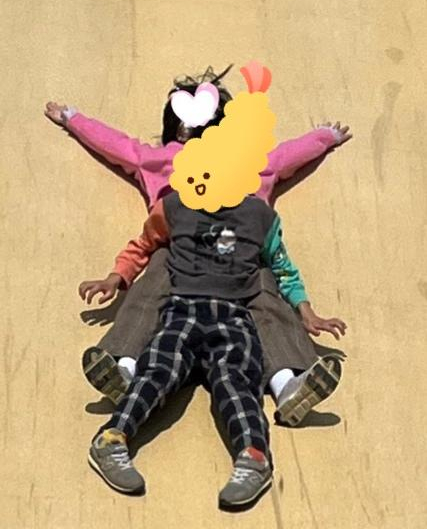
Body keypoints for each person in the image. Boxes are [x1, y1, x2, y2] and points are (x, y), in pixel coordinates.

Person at [45, 64, 350, 424]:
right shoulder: (161, 160)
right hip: (181, 246)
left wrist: (325, 137)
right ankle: (123, 365)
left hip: (239, 250)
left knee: (263, 288)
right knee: (157, 275)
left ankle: (289, 383)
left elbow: (286, 157)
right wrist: (73, 118)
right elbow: (117, 146)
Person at [79, 190, 341, 506]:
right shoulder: (175, 206)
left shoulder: (258, 215)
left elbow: (283, 267)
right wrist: (115, 277)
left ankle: (254, 455)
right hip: (182, 309)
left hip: (233, 315)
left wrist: (306, 311)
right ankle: (112, 433)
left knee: (236, 381)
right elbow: (144, 243)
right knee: (158, 370)